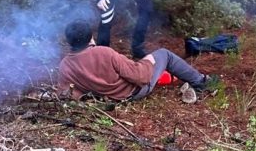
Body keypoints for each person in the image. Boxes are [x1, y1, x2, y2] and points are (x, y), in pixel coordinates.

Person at [58, 20, 220, 103]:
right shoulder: (103, 52)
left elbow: (68, 94)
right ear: (90, 38)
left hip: (106, 99)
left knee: (151, 60)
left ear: (69, 41)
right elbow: (140, 77)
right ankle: (202, 82)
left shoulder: (65, 65)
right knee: (164, 54)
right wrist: (148, 62)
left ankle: (193, 81)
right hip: (132, 93)